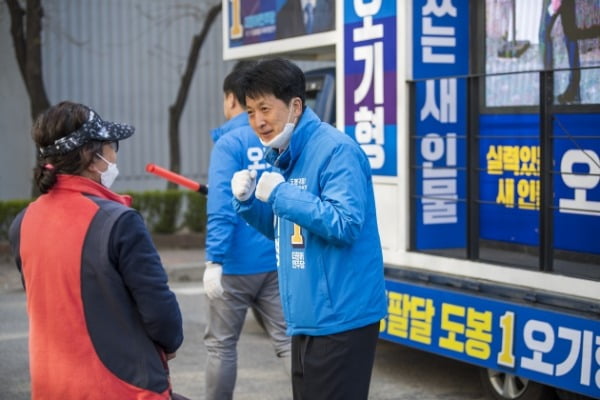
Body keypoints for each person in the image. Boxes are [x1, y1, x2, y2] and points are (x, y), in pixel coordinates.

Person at [230, 58, 387, 400]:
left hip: (341, 317)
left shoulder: (335, 150)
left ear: (296, 105)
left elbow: (344, 224)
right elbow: (287, 233)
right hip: (308, 317)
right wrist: (247, 204)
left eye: (265, 109)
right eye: (251, 111)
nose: (258, 121)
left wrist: (281, 194)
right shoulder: (289, 154)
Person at [8, 101, 184, 400]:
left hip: (51, 386)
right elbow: (161, 316)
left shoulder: (23, 223)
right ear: (93, 157)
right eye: (111, 145)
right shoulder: (119, 221)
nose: (115, 155)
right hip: (122, 387)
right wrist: (170, 341)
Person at [203, 61, 291, 400]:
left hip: (235, 265)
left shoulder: (230, 143)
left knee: (221, 347)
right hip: (275, 258)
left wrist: (214, 259)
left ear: (231, 99)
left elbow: (222, 205)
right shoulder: (280, 137)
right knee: (287, 342)